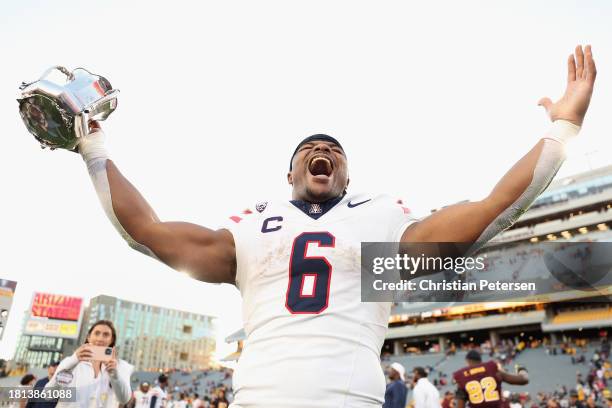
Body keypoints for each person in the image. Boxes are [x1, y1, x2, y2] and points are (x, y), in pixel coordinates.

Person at [72, 45, 596, 407]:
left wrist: (563, 128)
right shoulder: (252, 230)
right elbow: (146, 230)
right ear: (290, 172)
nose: (322, 152)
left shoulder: (379, 226)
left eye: (333, 151)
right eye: (310, 150)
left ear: (346, 174)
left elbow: (489, 211)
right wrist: (93, 148)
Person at [45, 320, 133, 408]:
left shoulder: (121, 366)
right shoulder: (71, 362)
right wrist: (73, 360)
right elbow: (48, 395)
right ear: (88, 337)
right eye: (96, 333)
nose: (100, 339)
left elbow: (124, 399)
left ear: (112, 339)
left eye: (106, 335)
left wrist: (114, 374)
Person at [453, 350, 528, 408]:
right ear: (480, 360)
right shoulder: (492, 369)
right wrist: (522, 370)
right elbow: (524, 380)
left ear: (467, 361)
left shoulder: (462, 376)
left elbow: (460, 405)